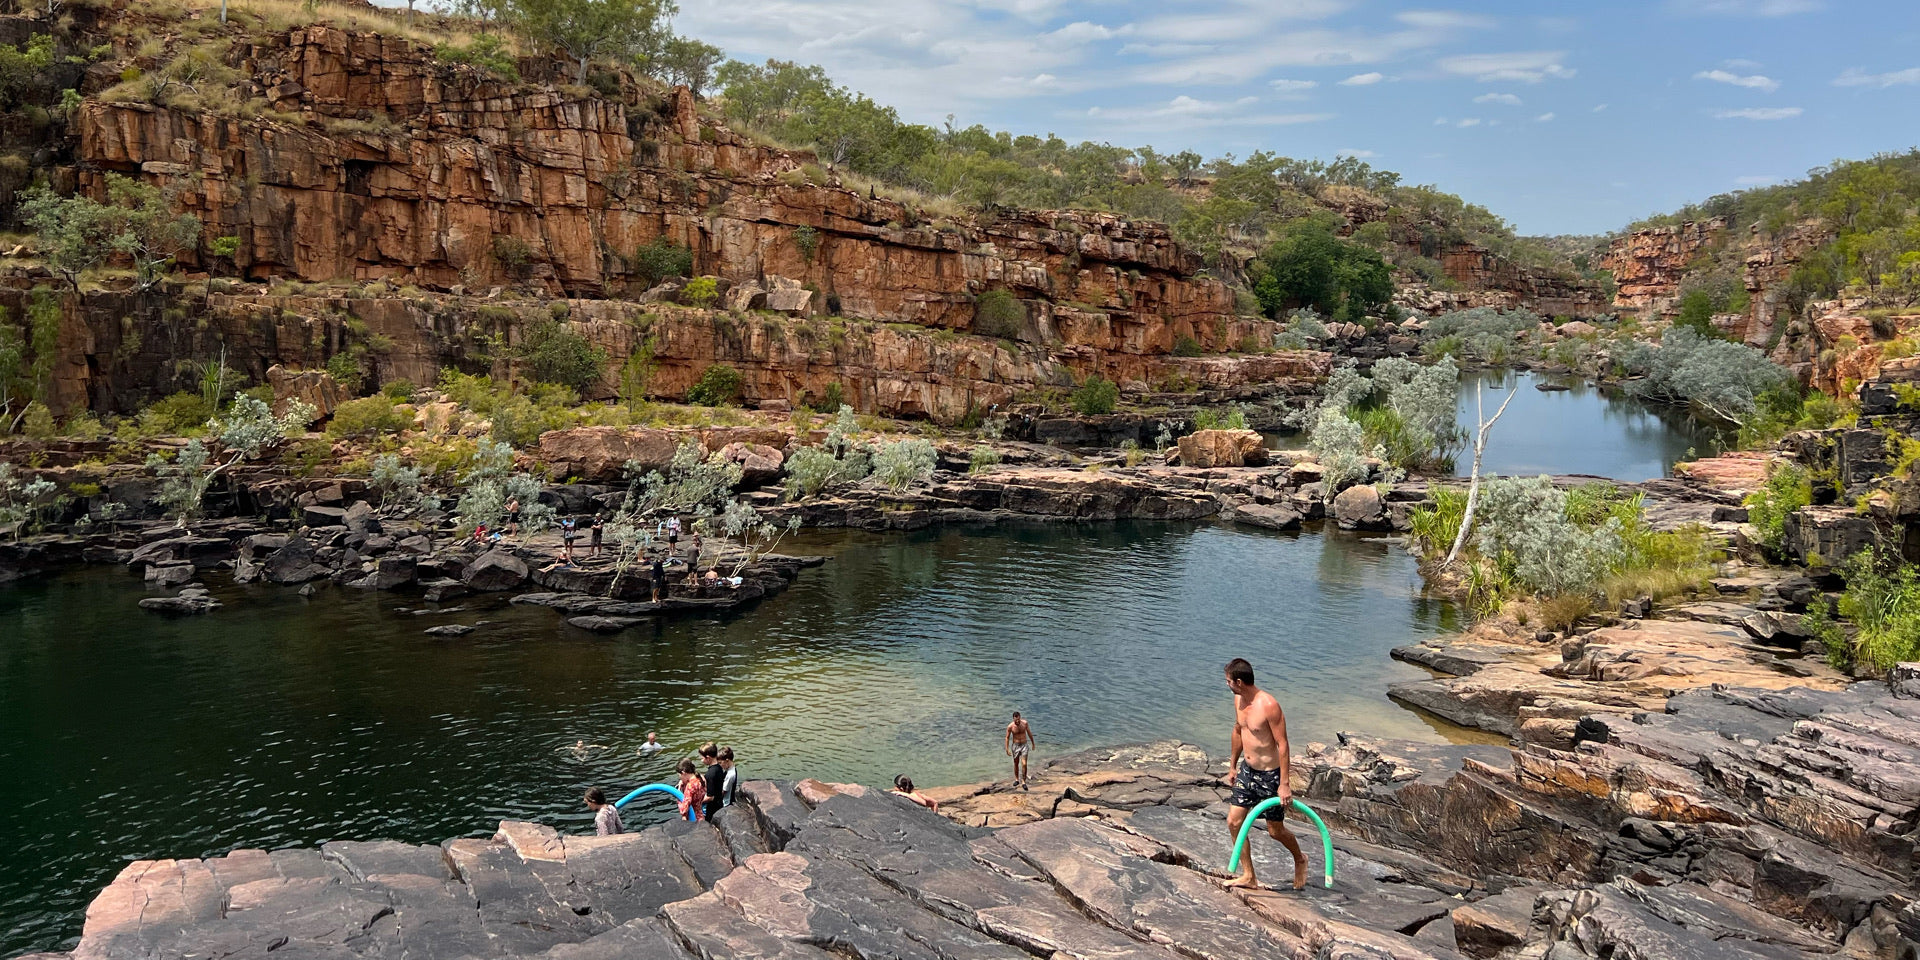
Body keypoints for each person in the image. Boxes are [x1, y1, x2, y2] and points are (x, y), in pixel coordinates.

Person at [1223, 657, 1306, 891]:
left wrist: (1285, 784)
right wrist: (1233, 765)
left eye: (1228, 681)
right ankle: (1249, 876)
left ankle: (1300, 859)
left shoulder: (1268, 705)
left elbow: (1283, 744)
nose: (1227, 685)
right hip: (1248, 772)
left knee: (1275, 831)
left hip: (1271, 775)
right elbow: (1239, 731)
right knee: (1234, 822)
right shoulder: (1238, 700)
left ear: (1239, 682)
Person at [1005, 712, 1036, 789]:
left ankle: (1023, 781)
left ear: (1020, 717)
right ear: (1013, 719)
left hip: (1024, 745)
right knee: (1016, 763)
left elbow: (1029, 733)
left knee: (1024, 764)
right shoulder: (1010, 726)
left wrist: (1033, 743)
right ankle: (1016, 779)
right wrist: (1007, 748)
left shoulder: (1025, 723)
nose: (1017, 721)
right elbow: (1007, 737)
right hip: (1015, 745)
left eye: (1018, 719)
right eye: (1016, 720)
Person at [700, 743, 726, 820]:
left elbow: (710, 797)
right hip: (719, 802)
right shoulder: (719, 767)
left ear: (708, 758)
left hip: (713, 808)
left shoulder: (710, 774)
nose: (701, 760)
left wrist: (697, 802)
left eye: (702, 758)